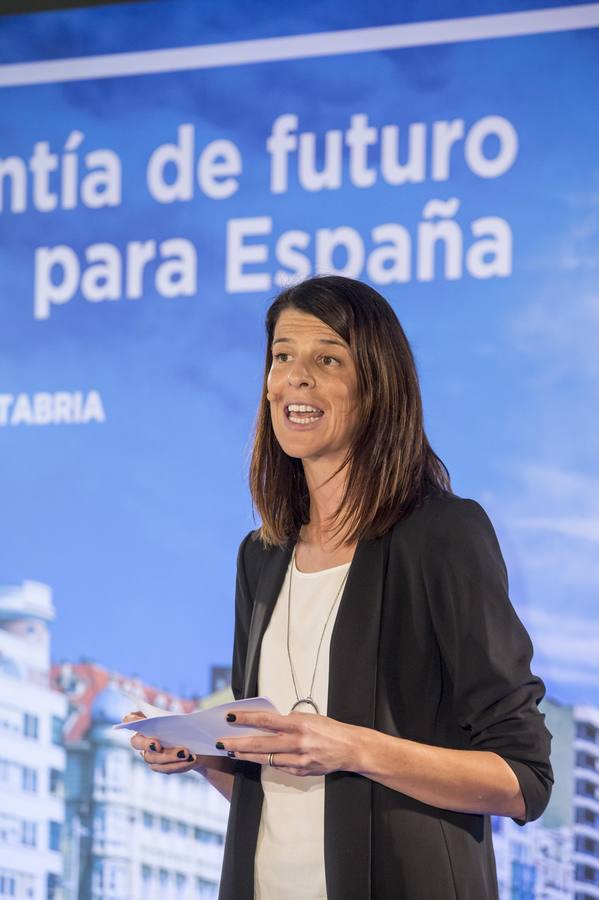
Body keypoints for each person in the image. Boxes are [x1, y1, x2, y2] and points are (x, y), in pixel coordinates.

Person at [125, 275, 553, 900]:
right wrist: (206, 755)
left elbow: (523, 779)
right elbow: (280, 784)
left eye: (327, 358)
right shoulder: (260, 557)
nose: (294, 378)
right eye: (281, 357)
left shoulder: (442, 535)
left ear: (377, 388)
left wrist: (350, 746)